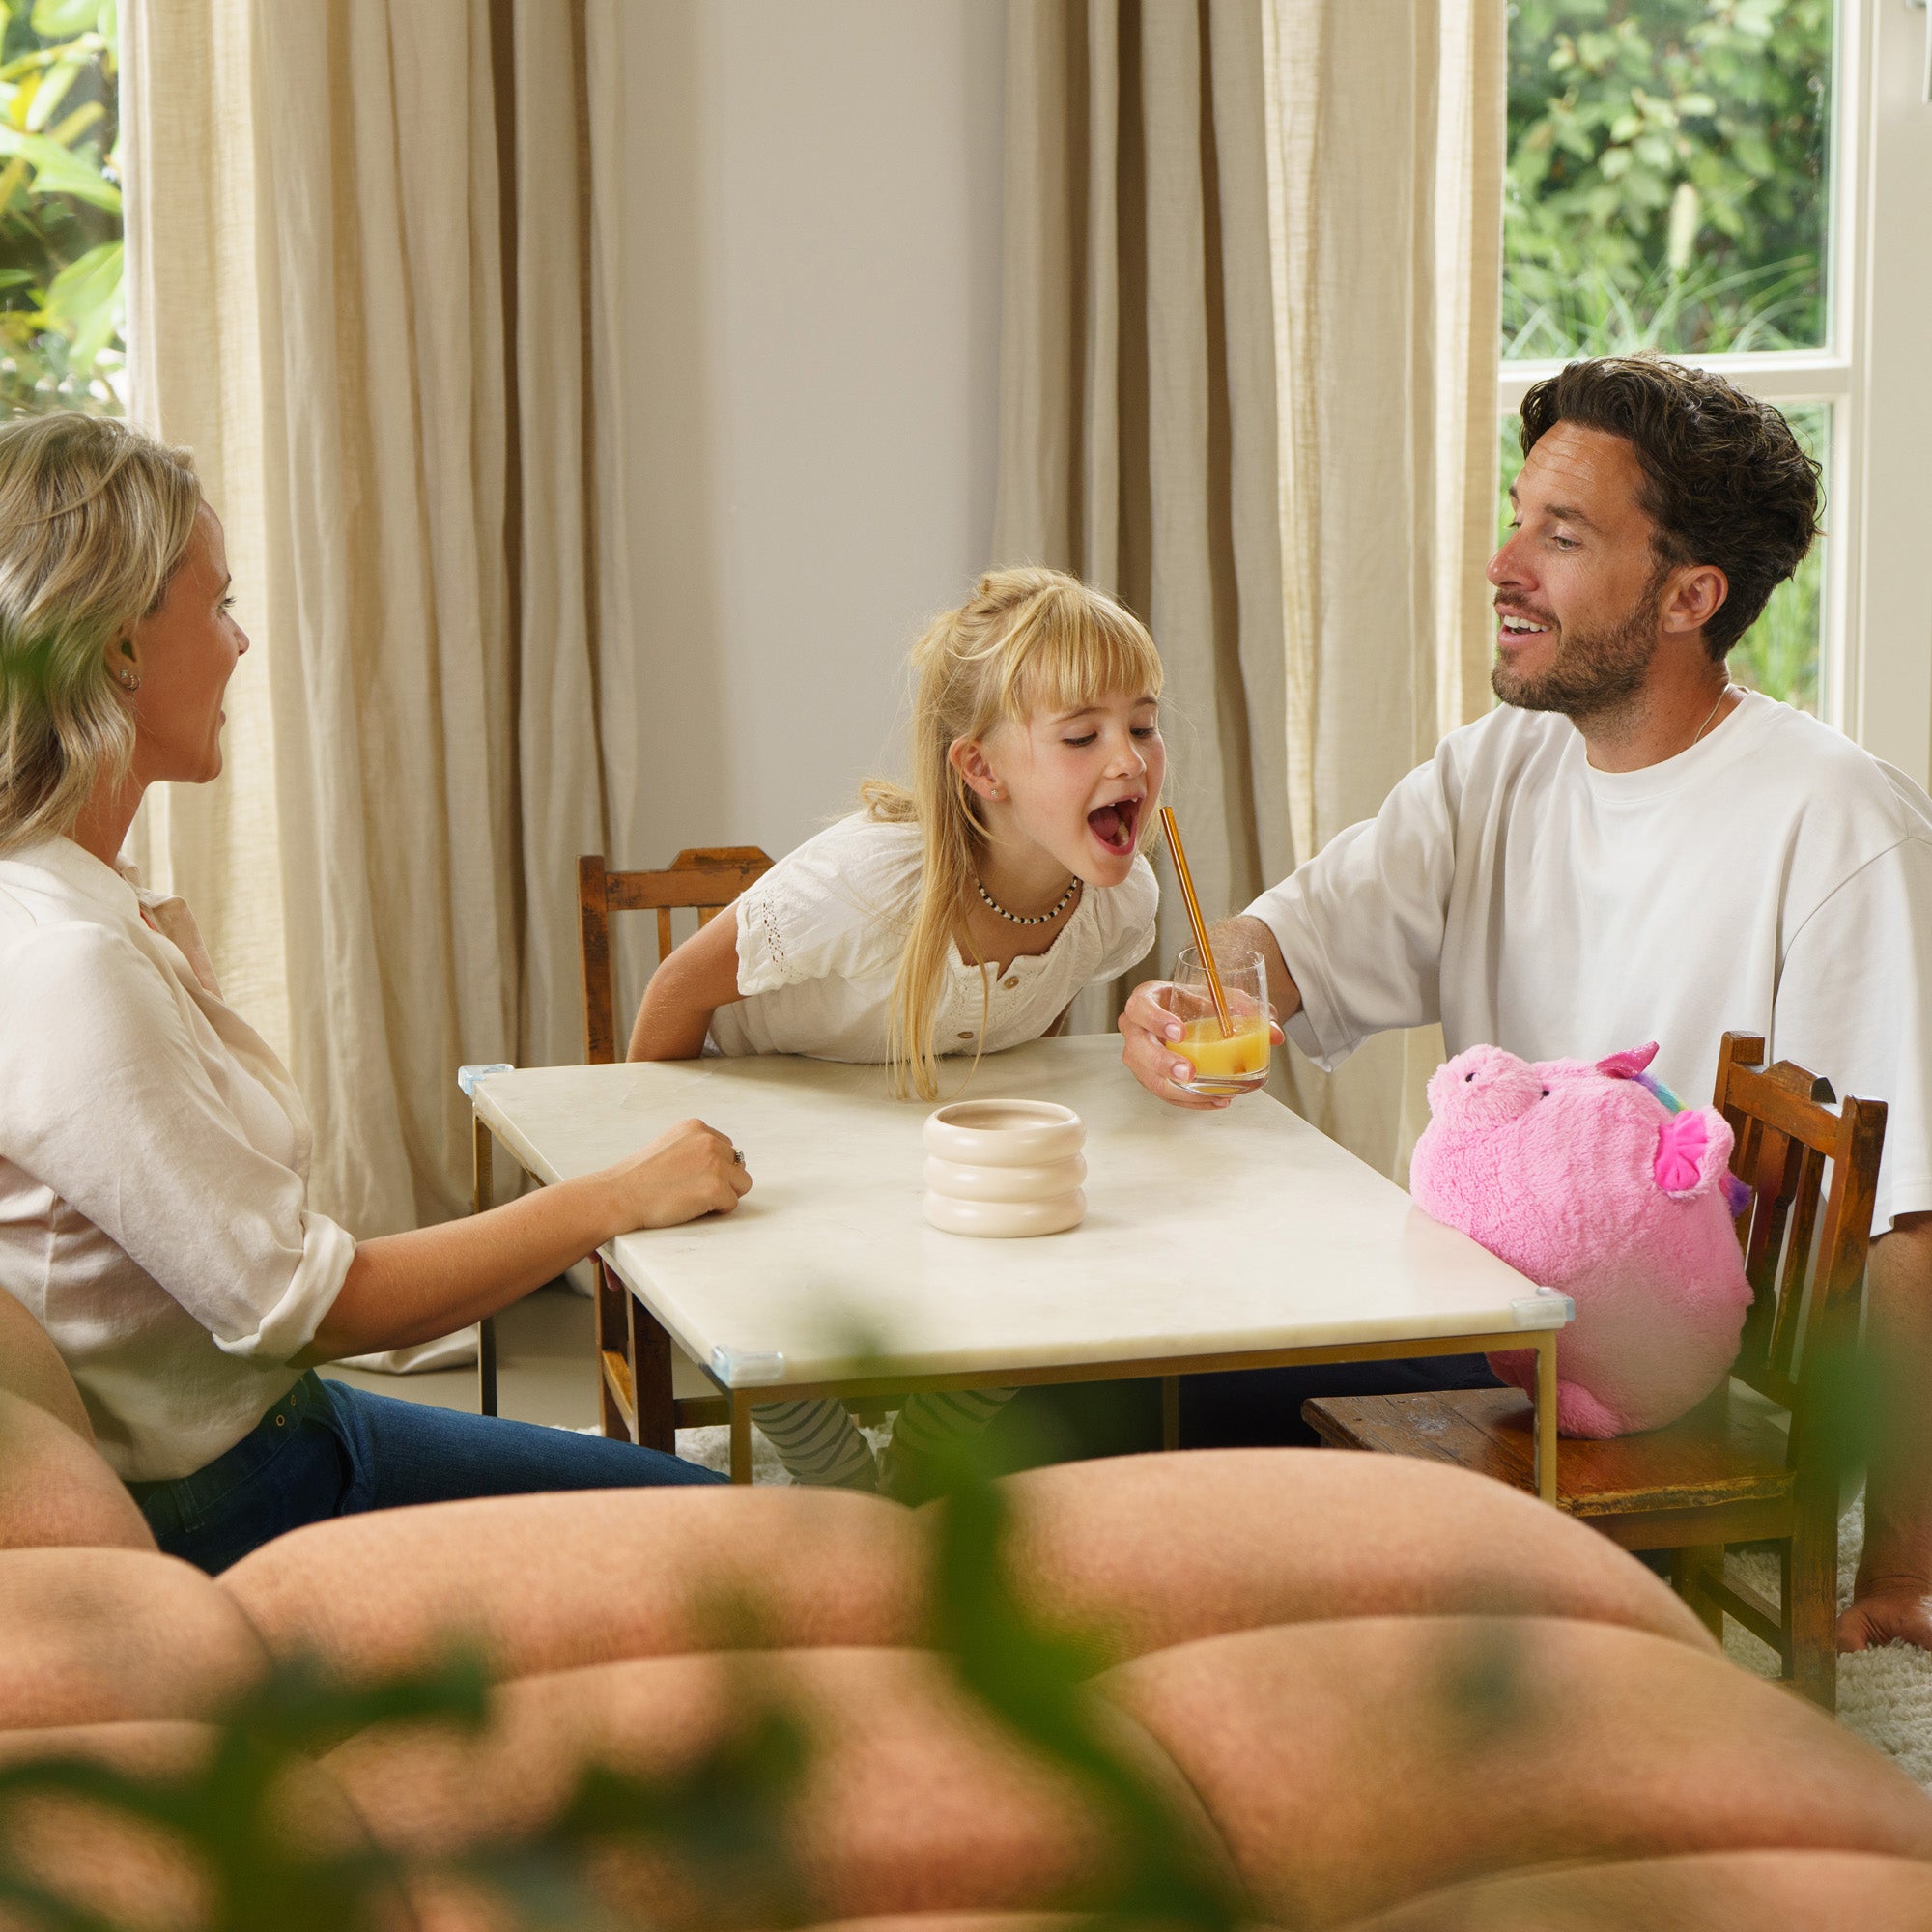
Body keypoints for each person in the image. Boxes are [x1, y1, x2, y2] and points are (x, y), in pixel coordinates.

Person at [1108, 355, 1932, 1655]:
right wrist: (1201, 997)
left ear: (1690, 597)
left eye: (1561, 535)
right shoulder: (1505, 763)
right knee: (1126, 1370)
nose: (1503, 564)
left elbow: (1912, 1223)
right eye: (1516, 517)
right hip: (1482, 1321)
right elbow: (1296, 943)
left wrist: (1902, 1563)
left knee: (1143, 1410)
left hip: (1640, 1388)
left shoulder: (1838, 825)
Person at [0, 413, 745, 1575]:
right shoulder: (62, 961)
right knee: (735, 1542)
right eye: (218, 604)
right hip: (239, 1500)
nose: (242, 643)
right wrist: (619, 1195)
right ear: (117, 651)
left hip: (293, 1425)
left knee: (715, 1510)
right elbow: (309, 1305)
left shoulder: (70, 899)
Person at [629, 566, 1162, 1494]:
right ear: (981, 769)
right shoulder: (863, 887)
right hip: (779, 1134)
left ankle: (920, 1454)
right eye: (1082, 735)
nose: (1130, 760)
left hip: (916, 1124)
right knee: (769, 1287)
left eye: (1144, 726)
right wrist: (648, 1166)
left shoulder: (1123, 908)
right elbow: (680, 987)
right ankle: (835, 1474)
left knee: (1062, 1232)